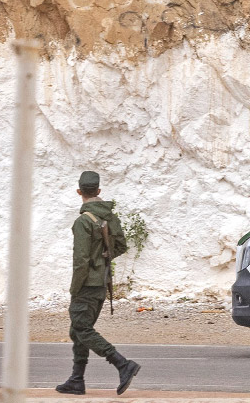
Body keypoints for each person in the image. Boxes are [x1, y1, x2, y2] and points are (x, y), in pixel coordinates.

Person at [56, 170, 141, 396]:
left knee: (82, 327)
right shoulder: (109, 217)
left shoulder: (83, 221)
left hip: (86, 285)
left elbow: (81, 260)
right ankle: (76, 379)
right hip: (101, 283)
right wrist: (102, 258)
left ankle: (122, 364)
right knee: (79, 330)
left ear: (79, 192)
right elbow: (121, 245)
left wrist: (75, 287)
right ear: (99, 191)